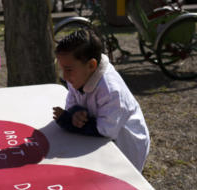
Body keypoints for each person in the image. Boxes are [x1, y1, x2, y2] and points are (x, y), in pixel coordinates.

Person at [52, 29, 150, 172]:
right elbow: (72, 103)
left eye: (68, 69)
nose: (64, 76)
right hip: (103, 141)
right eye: (62, 69)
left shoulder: (111, 90)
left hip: (126, 149)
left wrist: (68, 121)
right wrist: (76, 113)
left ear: (91, 65)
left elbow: (105, 130)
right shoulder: (79, 75)